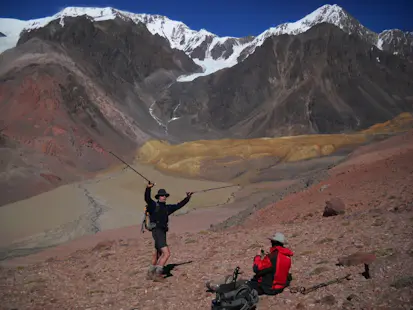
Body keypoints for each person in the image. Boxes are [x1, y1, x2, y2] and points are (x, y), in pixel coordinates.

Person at [145, 181, 193, 281]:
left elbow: (179, 205)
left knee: (157, 253)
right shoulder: (153, 205)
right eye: (162, 196)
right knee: (166, 253)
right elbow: (147, 199)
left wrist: (188, 198)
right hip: (157, 231)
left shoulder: (167, 208)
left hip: (161, 232)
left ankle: (150, 273)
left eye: (165, 195)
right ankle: (158, 274)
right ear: (158, 197)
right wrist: (148, 188)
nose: (164, 197)